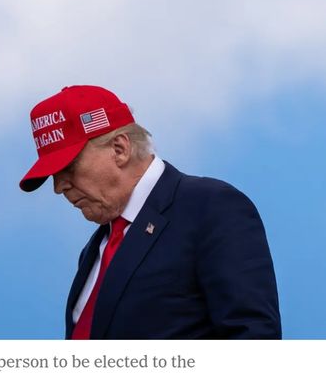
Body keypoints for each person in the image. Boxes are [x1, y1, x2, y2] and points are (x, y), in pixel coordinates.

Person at [20, 84, 281, 340]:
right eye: (54, 175)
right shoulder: (95, 249)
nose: (58, 186)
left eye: (68, 167)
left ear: (119, 149)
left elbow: (253, 339)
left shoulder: (211, 207)